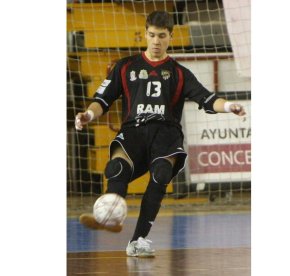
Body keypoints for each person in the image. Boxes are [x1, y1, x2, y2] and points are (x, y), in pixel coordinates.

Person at [75, 11, 246, 257]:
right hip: (133, 131)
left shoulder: (179, 73)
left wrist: (229, 106)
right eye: (152, 35)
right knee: (116, 169)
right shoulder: (125, 67)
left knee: (162, 173)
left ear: (170, 37)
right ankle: (109, 215)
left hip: (166, 134)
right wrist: (88, 115)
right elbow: (101, 100)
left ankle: (138, 240)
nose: (156, 41)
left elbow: (206, 98)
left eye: (162, 36)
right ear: (145, 34)